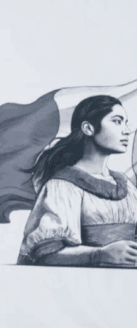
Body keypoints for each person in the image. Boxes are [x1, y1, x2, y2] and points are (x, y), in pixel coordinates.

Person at [18, 95, 137, 267]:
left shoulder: (126, 185)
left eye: (126, 123)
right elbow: (45, 254)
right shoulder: (62, 186)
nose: (126, 131)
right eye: (117, 121)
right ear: (88, 128)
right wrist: (99, 254)